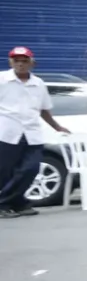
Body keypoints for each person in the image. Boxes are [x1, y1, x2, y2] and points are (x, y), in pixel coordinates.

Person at [0, 46, 69, 218]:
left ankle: (9, 202)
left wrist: (57, 127)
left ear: (32, 63)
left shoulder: (38, 84)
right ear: (11, 62)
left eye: (25, 61)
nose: (21, 64)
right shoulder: (2, 80)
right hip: (7, 133)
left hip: (32, 134)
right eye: (17, 61)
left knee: (30, 169)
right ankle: (15, 204)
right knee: (6, 171)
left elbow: (44, 110)